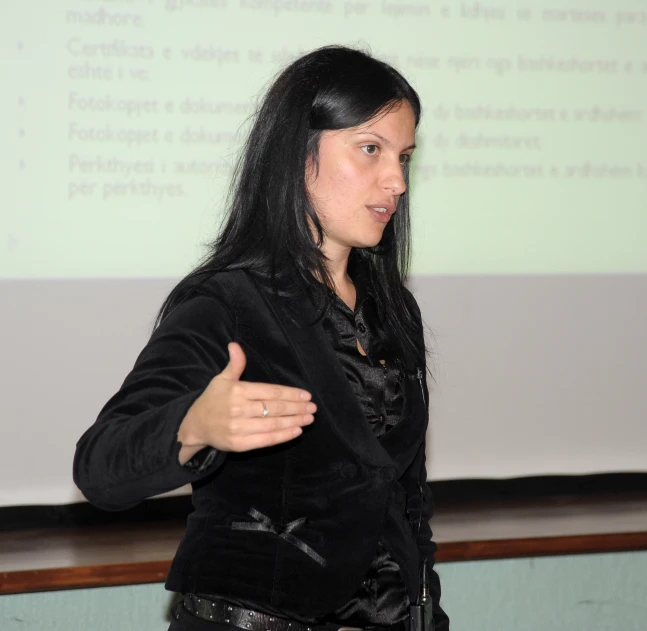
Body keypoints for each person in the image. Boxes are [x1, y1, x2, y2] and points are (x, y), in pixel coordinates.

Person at [73, 45, 449, 631]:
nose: (397, 181)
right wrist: (193, 426)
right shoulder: (225, 304)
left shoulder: (392, 309)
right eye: (370, 150)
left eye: (404, 156)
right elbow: (100, 465)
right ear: (296, 156)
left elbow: (407, 503)